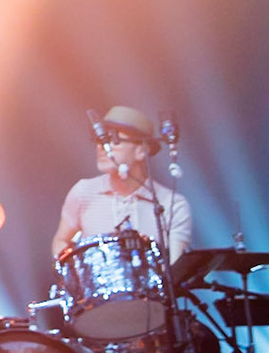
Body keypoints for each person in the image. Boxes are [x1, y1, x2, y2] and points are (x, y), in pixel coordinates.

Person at [50, 105, 192, 263]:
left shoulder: (172, 204)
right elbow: (61, 240)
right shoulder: (83, 191)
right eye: (100, 140)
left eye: (114, 140)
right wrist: (75, 273)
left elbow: (176, 268)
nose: (101, 148)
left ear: (141, 151)